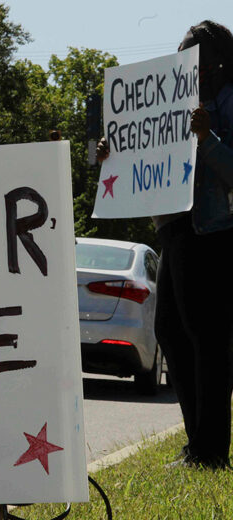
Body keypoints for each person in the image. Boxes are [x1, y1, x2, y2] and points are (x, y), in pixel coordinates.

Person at [97, 20, 233, 469]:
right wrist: (111, 153)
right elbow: (145, 152)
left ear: (215, 59)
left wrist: (206, 138)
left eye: (190, 54)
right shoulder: (177, 99)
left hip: (213, 233)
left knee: (207, 339)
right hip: (174, 229)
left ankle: (211, 450)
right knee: (171, 333)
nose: (184, 62)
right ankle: (197, 444)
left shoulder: (228, 101)